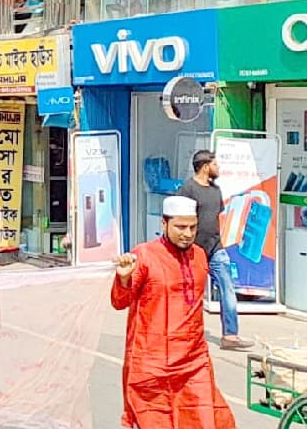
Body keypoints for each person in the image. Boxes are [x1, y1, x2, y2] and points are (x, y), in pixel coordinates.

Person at [111, 195, 236, 429]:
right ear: (164, 224)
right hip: (151, 363)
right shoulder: (145, 255)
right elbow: (119, 302)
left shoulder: (199, 255)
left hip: (193, 361)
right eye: (180, 227)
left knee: (206, 419)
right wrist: (124, 278)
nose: (187, 233)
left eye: (192, 227)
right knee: (154, 420)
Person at [178, 150, 254, 351]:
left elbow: (216, 217)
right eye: (215, 164)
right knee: (190, 294)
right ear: (205, 167)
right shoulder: (188, 189)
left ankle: (230, 335)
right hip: (193, 250)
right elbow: (179, 219)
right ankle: (184, 334)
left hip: (216, 249)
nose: (218, 168)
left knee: (228, 288)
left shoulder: (215, 190)